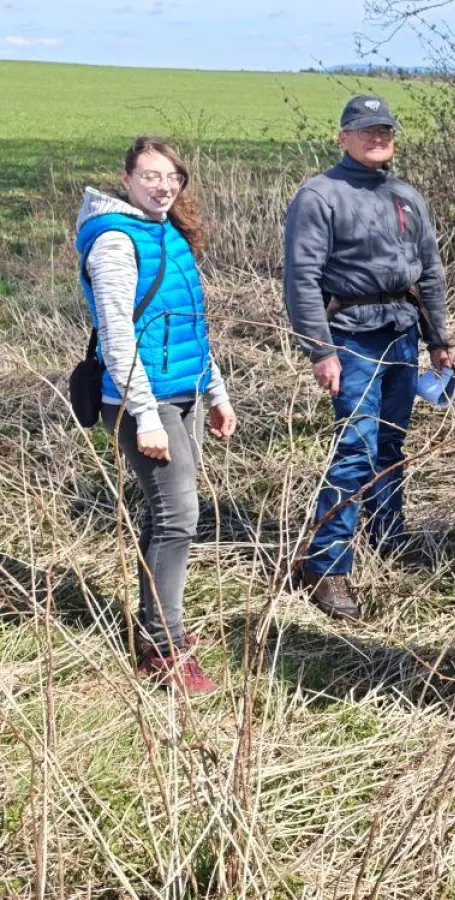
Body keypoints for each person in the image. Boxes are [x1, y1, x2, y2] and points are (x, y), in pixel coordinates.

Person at [76, 135, 238, 694]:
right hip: (141, 399)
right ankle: (164, 649)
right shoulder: (117, 241)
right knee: (178, 517)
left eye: (171, 177)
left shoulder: (167, 233)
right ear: (127, 180)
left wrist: (215, 392)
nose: (162, 186)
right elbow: (119, 337)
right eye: (149, 176)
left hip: (185, 391)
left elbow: (191, 323)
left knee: (163, 515)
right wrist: (145, 415)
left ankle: (155, 626)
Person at [283, 95, 454, 621]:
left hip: (402, 331)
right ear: (343, 137)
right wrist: (321, 348)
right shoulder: (319, 195)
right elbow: (301, 278)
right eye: (366, 130)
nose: (377, 137)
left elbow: (429, 272)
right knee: (355, 447)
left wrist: (438, 338)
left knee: (390, 443)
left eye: (384, 130)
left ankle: (388, 537)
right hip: (350, 337)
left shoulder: (407, 196)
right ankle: (327, 563)